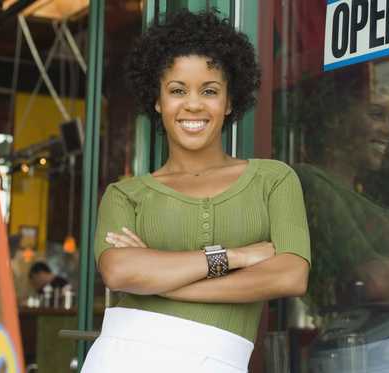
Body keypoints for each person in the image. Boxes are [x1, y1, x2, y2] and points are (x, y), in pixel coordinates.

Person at [81, 10, 311, 373]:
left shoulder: (274, 180)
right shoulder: (126, 194)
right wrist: (235, 256)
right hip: (123, 357)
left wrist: (161, 282)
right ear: (157, 100)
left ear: (229, 101)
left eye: (209, 90)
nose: (193, 104)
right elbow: (120, 272)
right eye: (176, 90)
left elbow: (290, 275)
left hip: (219, 359)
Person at [290, 68, 389, 372]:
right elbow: (371, 279)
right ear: (336, 120)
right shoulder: (313, 183)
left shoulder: (363, 197)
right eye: (376, 114)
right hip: (374, 352)